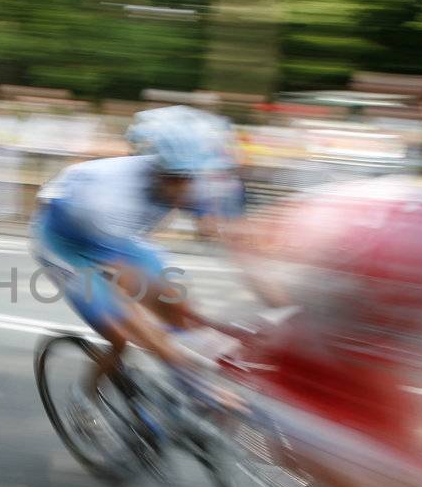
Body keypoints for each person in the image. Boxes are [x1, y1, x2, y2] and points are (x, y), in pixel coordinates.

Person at [30, 105, 266, 399]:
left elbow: (239, 250)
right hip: (67, 245)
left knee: (181, 312)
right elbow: (131, 308)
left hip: (119, 237)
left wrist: (287, 311)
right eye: (174, 177)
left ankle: (181, 396)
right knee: (121, 335)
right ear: (154, 169)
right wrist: (200, 386)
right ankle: (86, 398)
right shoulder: (107, 200)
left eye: (191, 177)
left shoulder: (200, 181)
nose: (184, 188)